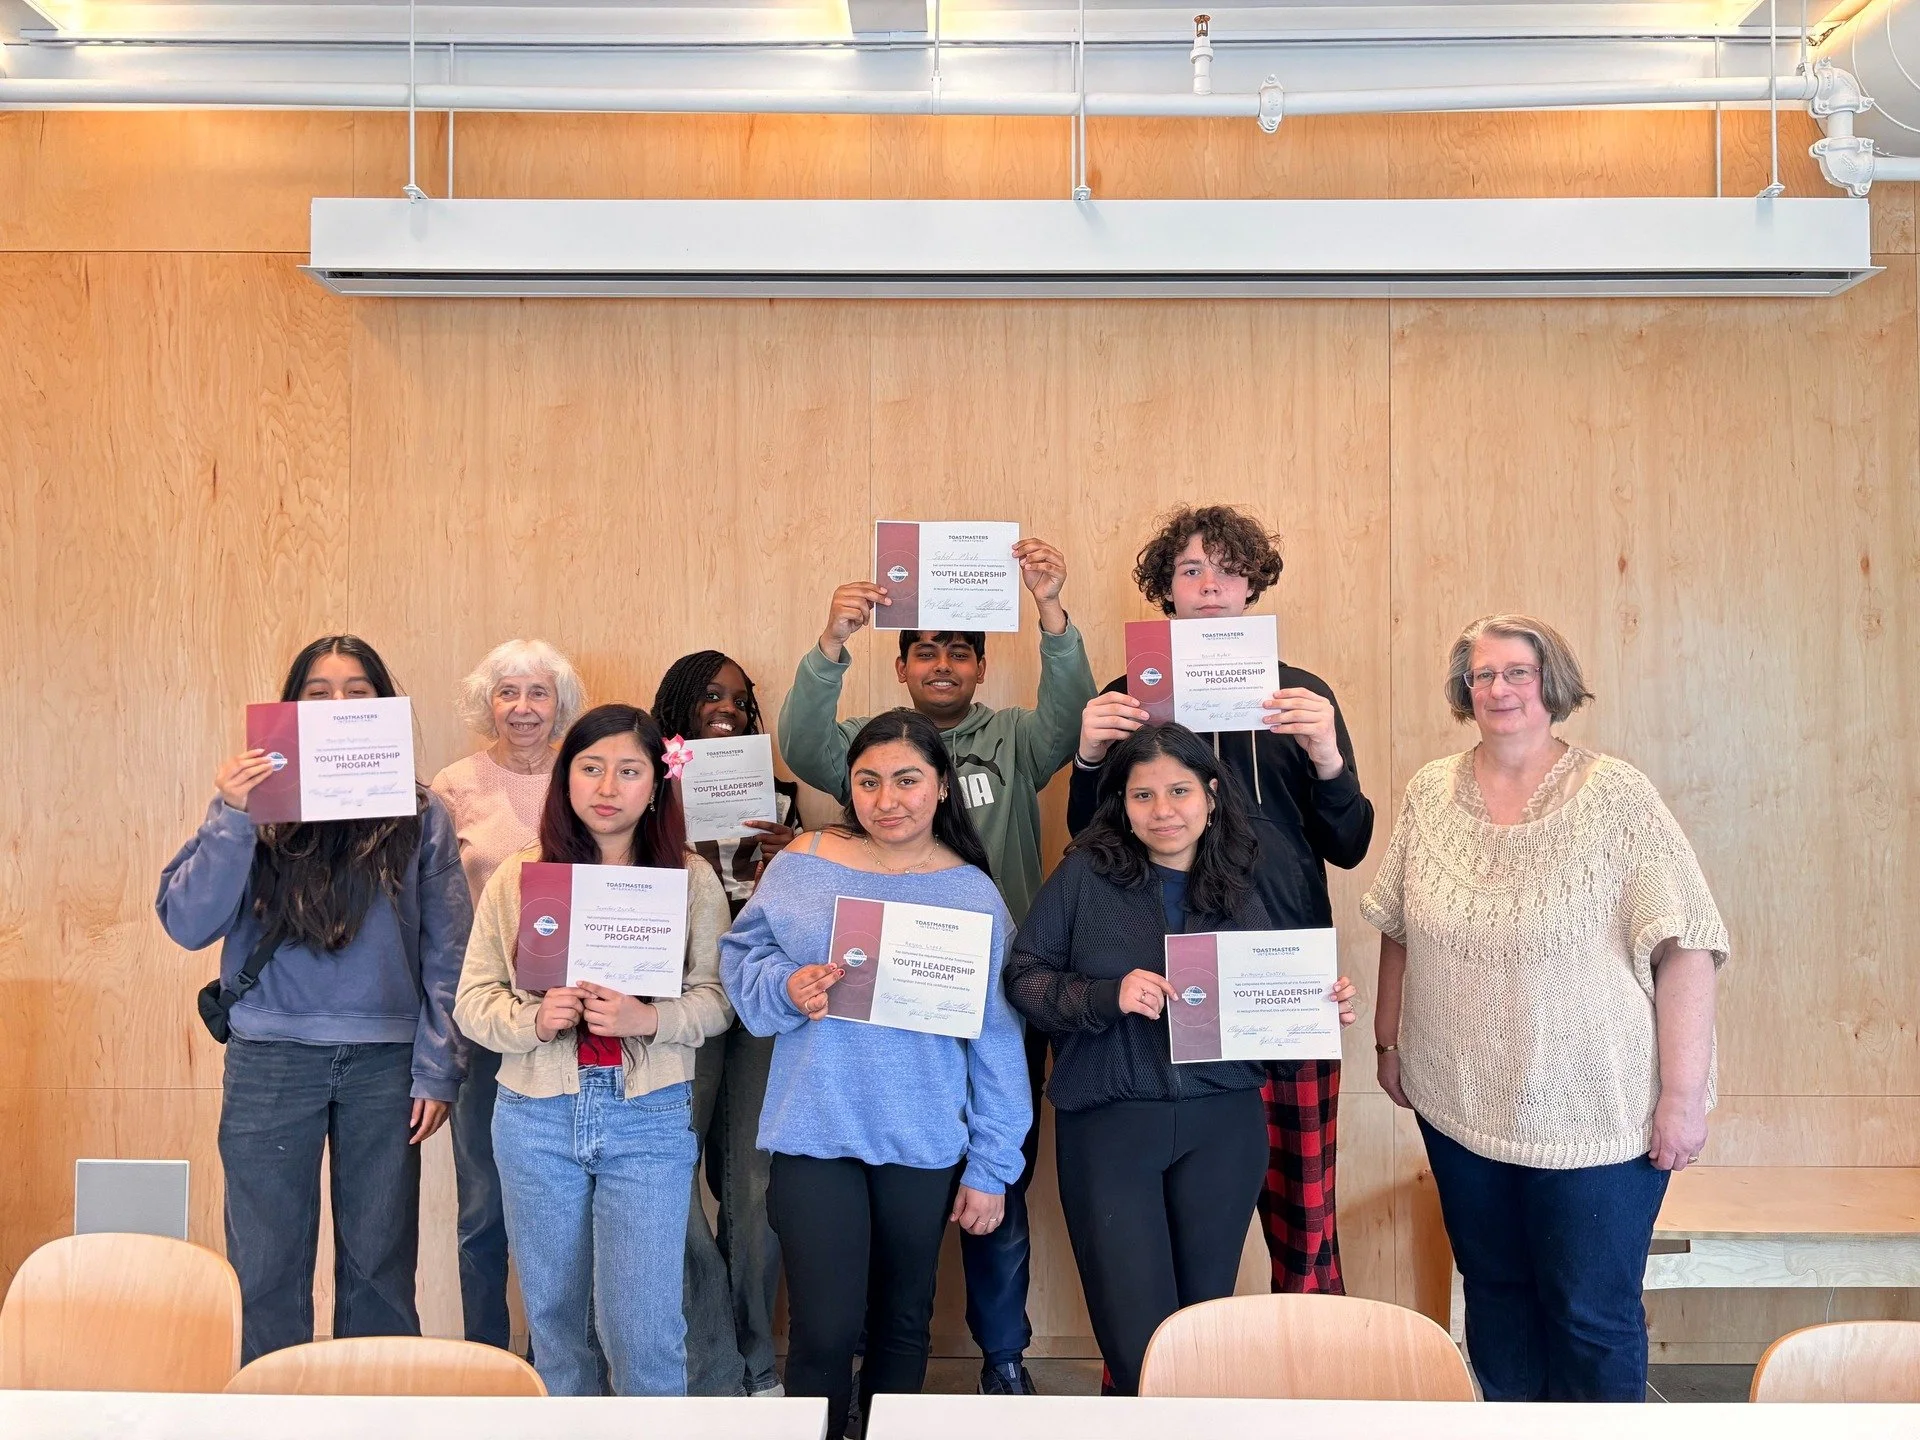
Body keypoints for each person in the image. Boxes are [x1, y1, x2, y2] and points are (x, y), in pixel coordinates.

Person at [1360, 614, 1728, 1403]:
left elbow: (1688, 946)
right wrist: (1389, 1044)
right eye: (1481, 675)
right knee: (1494, 1299)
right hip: (1459, 1103)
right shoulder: (1430, 790)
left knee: (1590, 1315)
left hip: (1596, 1113)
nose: (1498, 689)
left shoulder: (1616, 796)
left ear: (1550, 682)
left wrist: (1681, 1098)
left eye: (1516, 672)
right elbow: (1397, 922)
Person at [778, 538, 1094, 1394]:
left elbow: (1071, 719)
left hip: (993, 1000)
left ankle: (1002, 1356)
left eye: (960, 649)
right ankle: (858, 1365)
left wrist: (1052, 610)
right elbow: (803, 746)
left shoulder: (1017, 740)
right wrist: (831, 644)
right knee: (897, 1201)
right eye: (926, 649)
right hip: (877, 1019)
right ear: (905, 664)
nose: (943, 662)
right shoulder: (869, 748)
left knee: (997, 1181)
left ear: (983, 665)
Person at [1068, 505, 1373, 1295]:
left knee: (1304, 1209)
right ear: (1165, 591)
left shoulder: (1302, 694)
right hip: (1166, 973)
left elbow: (1349, 844)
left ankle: (1304, 1384)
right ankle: (1153, 1376)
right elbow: (1088, 842)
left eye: (1229, 569)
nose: (1211, 586)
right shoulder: (1127, 695)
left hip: (1281, 971)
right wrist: (1090, 755)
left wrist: (1331, 758)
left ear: (1253, 586)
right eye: (1191, 571)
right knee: (1167, 1209)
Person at [1009, 722, 1356, 1395]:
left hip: (1223, 1126)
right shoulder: (1084, 873)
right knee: (1138, 1342)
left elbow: (1265, 1003)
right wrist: (1108, 995)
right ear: (1122, 803)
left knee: (1201, 1336)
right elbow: (1024, 978)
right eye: (1143, 795)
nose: (1163, 810)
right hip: (1111, 1123)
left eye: (1178, 791)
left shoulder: (1242, 878)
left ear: (1212, 794)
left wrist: (1317, 1006)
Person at [156, 635, 470, 1363]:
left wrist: (436, 1066)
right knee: (264, 1268)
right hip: (270, 1059)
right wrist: (232, 814)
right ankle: (270, 1415)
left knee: (381, 1271)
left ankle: (375, 1416)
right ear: (291, 710)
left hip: (385, 1064)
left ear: (384, 707)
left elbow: (447, 951)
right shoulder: (250, 808)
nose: (337, 705)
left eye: (357, 692)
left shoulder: (422, 814)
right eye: (318, 692)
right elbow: (187, 922)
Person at [722, 710, 1032, 1438]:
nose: (887, 799)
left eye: (906, 780)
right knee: (824, 1331)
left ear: (943, 788)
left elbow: (996, 1039)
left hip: (923, 1139)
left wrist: (994, 1164)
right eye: (868, 781)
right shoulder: (805, 861)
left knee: (902, 1327)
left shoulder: (973, 893)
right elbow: (742, 958)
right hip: (815, 1129)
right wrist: (787, 987)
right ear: (849, 788)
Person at [454, 704, 732, 1396]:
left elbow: (720, 998)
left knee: (645, 1328)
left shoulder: (689, 879)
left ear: (656, 785)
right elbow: (471, 1000)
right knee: (556, 1322)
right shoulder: (520, 878)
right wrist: (534, 1020)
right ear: (566, 777)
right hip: (535, 1114)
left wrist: (649, 1019)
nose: (608, 786)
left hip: (648, 1114)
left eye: (630, 770)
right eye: (590, 767)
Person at [430, 638, 588, 1352]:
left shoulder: (590, 777)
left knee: (576, 1203)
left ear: (560, 703)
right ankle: (488, 1359)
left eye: (538, 693)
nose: (523, 708)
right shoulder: (453, 786)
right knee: (484, 1206)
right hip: (488, 1018)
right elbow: (432, 906)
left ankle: (568, 1363)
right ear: (486, 702)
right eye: (508, 693)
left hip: (584, 1020)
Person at [652, 650, 800, 1398]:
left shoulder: (777, 794)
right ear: (678, 705)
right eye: (709, 696)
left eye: (740, 701)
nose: (727, 709)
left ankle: (755, 1359)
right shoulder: (646, 787)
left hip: (759, 1006)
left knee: (753, 1185)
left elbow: (796, 916)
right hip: (674, 1003)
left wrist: (790, 859)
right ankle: (707, 1349)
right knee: (666, 1181)